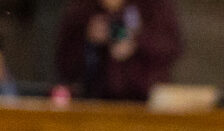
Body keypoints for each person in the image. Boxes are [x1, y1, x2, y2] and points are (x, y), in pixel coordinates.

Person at [52, 0, 180, 101]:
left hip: (145, 98)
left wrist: (136, 41)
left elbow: (172, 45)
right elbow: (64, 62)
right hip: (93, 99)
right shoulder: (82, 8)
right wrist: (88, 38)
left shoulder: (153, 5)